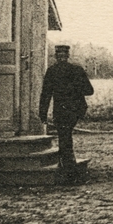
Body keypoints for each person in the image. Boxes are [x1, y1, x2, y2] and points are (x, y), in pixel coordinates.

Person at [38, 44, 94, 185]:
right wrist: (76, 88)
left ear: (55, 56)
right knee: (66, 138)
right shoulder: (77, 69)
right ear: (68, 56)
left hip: (61, 110)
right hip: (75, 109)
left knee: (65, 139)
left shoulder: (52, 71)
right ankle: (70, 171)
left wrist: (42, 113)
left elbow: (46, 94)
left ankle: (69, 173)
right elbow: (89, 90)